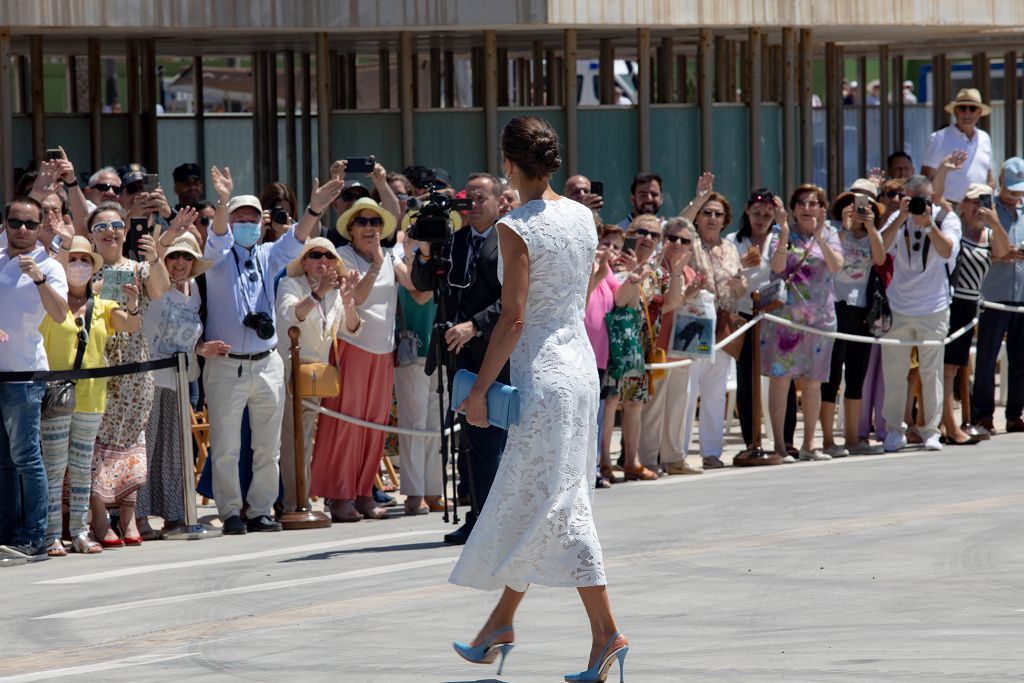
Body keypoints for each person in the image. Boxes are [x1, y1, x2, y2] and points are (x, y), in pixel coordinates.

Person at [450, 114, 628, 683]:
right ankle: (500, 623)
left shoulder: (516, 225)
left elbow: (515, 316)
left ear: (508, 164)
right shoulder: (582, 215)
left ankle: (606, 633)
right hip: (579, 370)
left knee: (559, 503)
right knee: (541, 497)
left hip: (545, 377)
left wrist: (479, 390)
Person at [202, 166, 333, 535]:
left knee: (267, 447)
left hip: (267, 362)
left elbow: (297, 237)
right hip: (227, 365)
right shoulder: (217, 257)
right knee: (227, 446)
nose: (246, 223)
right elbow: (216, 235)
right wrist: (224, 199)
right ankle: (230, 511)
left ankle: (260, 509)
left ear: (262, 224)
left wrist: (315, 208)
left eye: (253, 218)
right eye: (238, 217)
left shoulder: (268, 254)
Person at [411, 172, 509, 545]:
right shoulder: (456, 240)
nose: (475, 203)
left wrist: (476, 325)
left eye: (483, 196)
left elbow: (516, 300)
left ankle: (495, 519)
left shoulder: (509, 241)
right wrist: (424, 250)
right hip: (459, 355)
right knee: (472, 440)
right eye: (471, 196)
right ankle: (480, 516)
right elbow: (423, 284)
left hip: (498, 352)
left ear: (500, 200)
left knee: (495, 439)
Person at [311, 196, 414, 522]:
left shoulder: (389, 256)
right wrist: (373, 266)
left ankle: (364, 493)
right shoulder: (342, 256)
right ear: (351, 229)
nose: (370, 228)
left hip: (384, 353)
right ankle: (340, 496)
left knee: (375, 427)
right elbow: (356, 298)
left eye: (375, 222)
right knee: (346, 425)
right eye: (363, 222)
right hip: (351, 348)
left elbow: (414, 284)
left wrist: (413, 251)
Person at [39, 236, 139, 555]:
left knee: (82, 467)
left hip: (92, 398)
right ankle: (52, 533)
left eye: (85, 260)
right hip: (54, 396)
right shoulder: (49, 300)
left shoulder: (103, 305)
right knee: (54, 467)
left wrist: (133, 303)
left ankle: (80, 531)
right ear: (62, 264)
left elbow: (130, 325)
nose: (79, 266)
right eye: (73, 259)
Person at [87, 202, 169, 547]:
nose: (110, 231)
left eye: (117, 225)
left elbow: (161, 289)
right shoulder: (82, 267)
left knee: (132, 443)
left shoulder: (137, 267)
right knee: (96, 445)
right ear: (90, 236)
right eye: (101, 227)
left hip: (135, 365)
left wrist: (155, 257)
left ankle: (129, 516)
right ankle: (98, 518)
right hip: (96, 365)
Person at [136, 216, 217, 538]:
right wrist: (167, 238)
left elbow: (187, 336)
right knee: (147, 448)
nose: (180, 263)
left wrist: (203, 348)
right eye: (174, 256)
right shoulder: (153, 282)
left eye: (187, 257)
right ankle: (138, 516)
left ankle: (173, 514)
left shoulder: (196, 288)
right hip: (149, 378)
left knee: (175, 451)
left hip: (182, 380)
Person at [0, 197, 69, 564]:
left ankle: (35, 536)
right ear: (6, 224)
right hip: (0, 373)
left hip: (25, 375)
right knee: (4, 460)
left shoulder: (49, 267)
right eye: (15, 223)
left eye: (30, 224)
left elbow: (60, 315)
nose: (22, 231)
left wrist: (39, 278)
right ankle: (8, 532)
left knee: (27, 457)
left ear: (41, 227)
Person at [276, 237, 362, 514]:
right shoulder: (290, 284)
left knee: (305, 439)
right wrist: (317, 295)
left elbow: (352, 329)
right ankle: (294, 502)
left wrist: (349, 303)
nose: (322, 261)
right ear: (304, 261)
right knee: (292, 440)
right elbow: (291, 314)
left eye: (327, 256)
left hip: (317, 374)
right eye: (315, 255)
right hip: (290, 370)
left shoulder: (335, 292)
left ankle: (303, 496)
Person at [878, 175, 961, 452]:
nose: (916, 205)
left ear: (932, 198)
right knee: (894, 371)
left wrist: (928, 225)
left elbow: (947, 250)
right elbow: (879, 253)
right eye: (910, 198)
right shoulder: (898, 218)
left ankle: (931, 431)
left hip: (933, 307)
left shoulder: (945, 218)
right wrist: (900, 218)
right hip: (899, 307)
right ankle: (894, 429)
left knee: (931, 372)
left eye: (921, 199)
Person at [761, 185, 844, 462]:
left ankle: (810, 444)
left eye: (814, 203)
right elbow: (776, 266)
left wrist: (819, 236)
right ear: (794, 208)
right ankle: (781, 446)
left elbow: (836, 266)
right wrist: (784, 233)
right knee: (781, 380)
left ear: (822, 208)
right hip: (786, 319)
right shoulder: (778, 233)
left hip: (820, 319)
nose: (808, 208)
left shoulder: (830, 233)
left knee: (813, 382)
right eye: (802, 204)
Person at [728, 189, 798, 465]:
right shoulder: (734, 240)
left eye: (767, 215)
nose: (760, 220)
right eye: (756, 214)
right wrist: (742, 264)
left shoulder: (777, 239)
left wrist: (783, 228)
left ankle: (786, 439)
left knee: (783, 379)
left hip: (774, 315)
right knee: (747, 380)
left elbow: (780, 267)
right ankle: (751, 440)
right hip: (746, 314)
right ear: (747, 211)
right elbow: (727, 275)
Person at [819, 187, 887, 457]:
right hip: (835, 305)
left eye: (865, 205)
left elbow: (880, 259)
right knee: (832, 376)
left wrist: (870, 228)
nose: (858, 209)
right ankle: (826, 439)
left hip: (861, 311)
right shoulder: (833, 230)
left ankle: (852, 438)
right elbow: (834, 257)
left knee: (856, 375)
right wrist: (846, 227)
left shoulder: (872, 235)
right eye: (853, 204)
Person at [940, 184, 1009, 444]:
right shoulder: (954, 228)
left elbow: (1002, 251)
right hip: (950, 301)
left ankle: (947, 424)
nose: (978, 206)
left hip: (970, 305)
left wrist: (995, 221)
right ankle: (948, 426)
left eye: (984, 200)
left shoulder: (988, 234)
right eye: (973, 201)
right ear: (963, 204)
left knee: (955, 367)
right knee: (947, 368)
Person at [639, 217, 704, 474]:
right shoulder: (656, 266)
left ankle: (674, 456)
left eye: (684, 240)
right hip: (658, 345)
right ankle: (648, 458)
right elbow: (660, 305)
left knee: (679, 404)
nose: (677, 243)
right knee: (654, 407)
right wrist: (684, 294)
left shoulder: (689, 270)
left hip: (682, 347)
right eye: (672, 238)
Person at [392, 239, 445, 516]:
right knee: (414, 424)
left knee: (436, 425)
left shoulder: (443, 258)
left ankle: (433, 489)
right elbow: (419, 292)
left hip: (441, 349)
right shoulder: (399, 260)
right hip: (413, 350)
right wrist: (419, 255)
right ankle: (414, 493)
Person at [972, 158, 1024, 435]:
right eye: (1011, 190)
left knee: (1020, 357)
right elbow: (985, 246)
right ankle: (983, 414)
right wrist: (1003, 252)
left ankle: (1016, 413)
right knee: (987, 356)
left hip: (1021, 293)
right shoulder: (988, 209)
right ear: (1000, 183)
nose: (1015, 196)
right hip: (995, 293)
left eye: (1019, 191)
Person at [921, 88, 995, 203]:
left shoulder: (985, 138)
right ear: (955, 111)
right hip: (947, 207)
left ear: (980, 112)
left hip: (978, 208)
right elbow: (925, 180)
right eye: (962, 108)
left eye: (973, 108)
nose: (967, 113)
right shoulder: (938, 138)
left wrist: (985, 206)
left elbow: (989, 179)